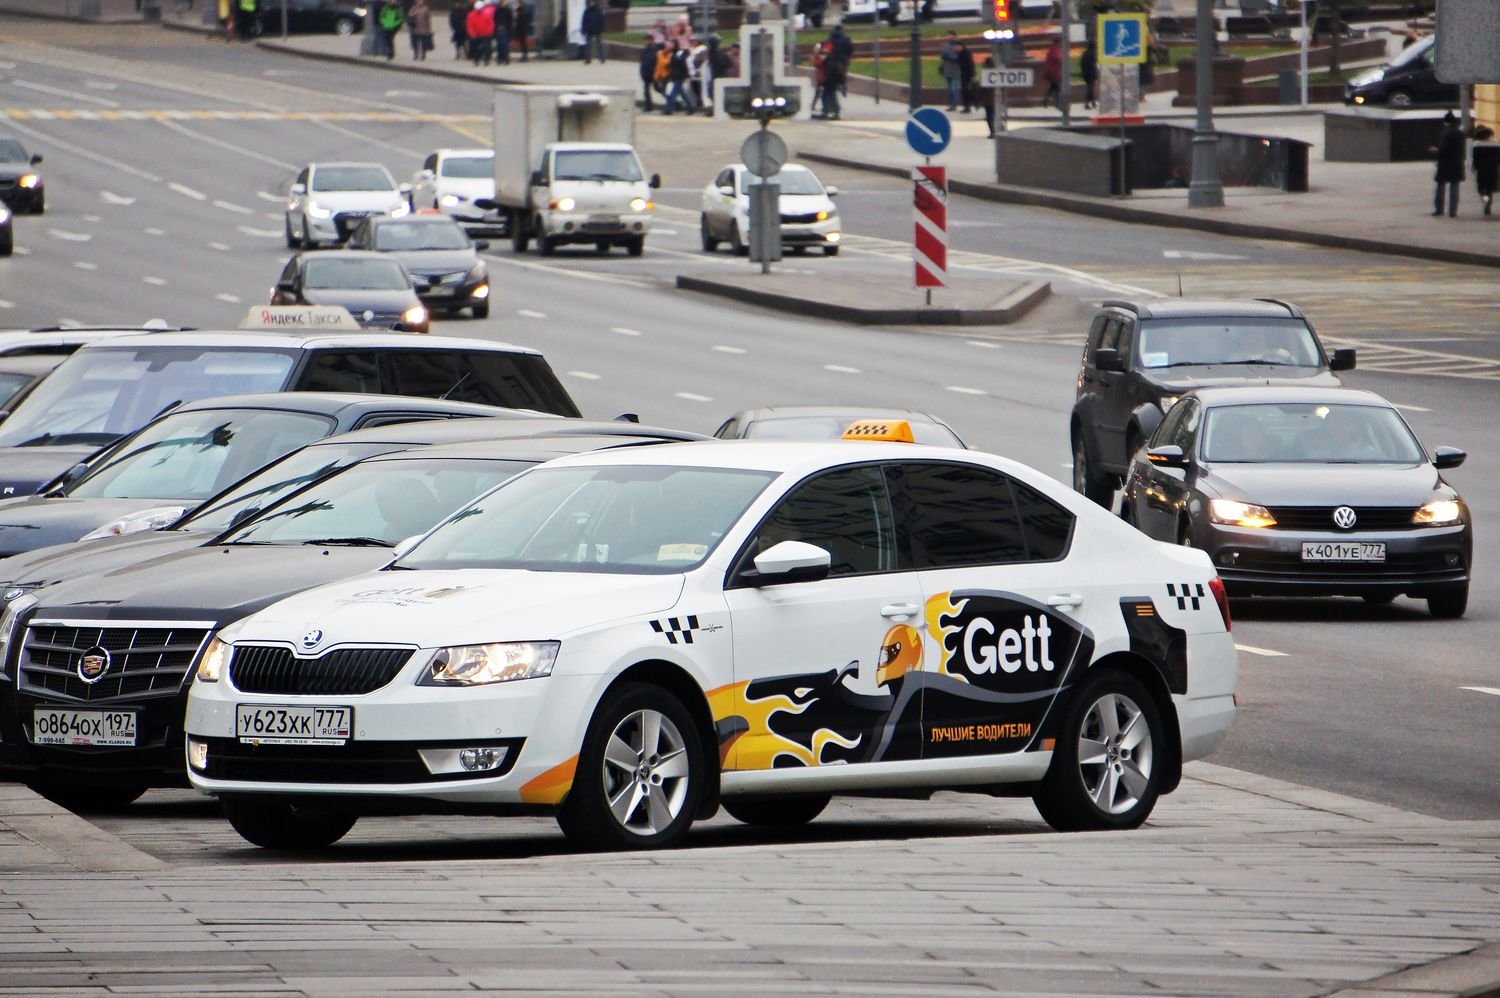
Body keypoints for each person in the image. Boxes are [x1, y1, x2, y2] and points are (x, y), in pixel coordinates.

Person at [1432, 111, 1465, 218]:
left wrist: (1436, 151)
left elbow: (1443, 149)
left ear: (1446, 122)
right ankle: (1453, 211)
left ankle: (1439, 209)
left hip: (1445, 163)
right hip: (1457, 163)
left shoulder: (1446, 133)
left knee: (1440, 186)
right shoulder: (1460, 133)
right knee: (1455, 187)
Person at [663, 41, 699, 115]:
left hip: (678, 76)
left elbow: (681, 64)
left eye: (672, 45)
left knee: (672, 94)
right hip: (676, 76)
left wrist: (686, 74)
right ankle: (690, 108)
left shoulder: (679, 55)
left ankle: (669, 109)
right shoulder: (674, 55)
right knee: (681, 93)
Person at [1472, 125, 1499, 216]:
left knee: (1481, 189)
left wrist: (1475, 167)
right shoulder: (1496, 144)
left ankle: (1486, 200)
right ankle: (1488, 203)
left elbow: (1475, 158)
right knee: (1489, 189)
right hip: (1493, 169)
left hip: (1482, 170)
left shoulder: (1477, 144)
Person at [467, 0, 494, 65]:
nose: (478, 10)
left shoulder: (487, 15)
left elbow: (491, 24)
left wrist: (489, 32)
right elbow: (470, 25)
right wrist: (472, 34)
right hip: (476, 35)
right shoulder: (471, 15)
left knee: (486, 47)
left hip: (485, 34)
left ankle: (486, 60)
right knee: (476, 48)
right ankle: (476, 59)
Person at [638, 38, 661, 110]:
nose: (646, 42)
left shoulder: (655, 51)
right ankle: (648, 106)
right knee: (646, 91)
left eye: (648, 40)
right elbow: (642, 62)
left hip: (653, 74)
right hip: (646, 74)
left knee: (658, 89)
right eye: (646, 40)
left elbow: (656, 62)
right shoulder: (645, 50)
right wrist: (642, 73)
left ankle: (670, 100)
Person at [939, 32, 960, 111]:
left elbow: (957, 56)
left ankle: (954, 105)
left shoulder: (958, 45)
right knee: (949, 89)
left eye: (950, 36)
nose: (948, 37)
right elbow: (942, 55)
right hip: (947, 69)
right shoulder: (945, 45)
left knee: (954, 88)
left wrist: (950, 56)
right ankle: (951, 104)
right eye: (948, 36)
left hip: (955, 70)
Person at [1042, 39, 1062, 108]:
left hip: (1050, 71)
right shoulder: (1056, 49)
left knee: (1053, 88)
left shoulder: (1051, 49)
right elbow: (1057, 58)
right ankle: (1057, 103)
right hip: (1054, 72)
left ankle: (1046, 101)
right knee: (1057, 88)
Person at [957, 41, 976, 114]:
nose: (956, 48)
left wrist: (971, 75)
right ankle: (966, 106)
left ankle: (967, 106)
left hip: (967, 76)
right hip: (964, 75)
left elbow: (969, 65)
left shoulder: (965, 54)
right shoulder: (961, 54)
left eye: (958, 47)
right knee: (964, 91)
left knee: (966, 91)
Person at [493, 0, 512, 64]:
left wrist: (509, 29)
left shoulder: (508, 10)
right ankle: (500, 59)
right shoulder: (497, 10)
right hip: (499, 29)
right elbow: (495, 19)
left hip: (506, 29)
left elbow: (510, 21)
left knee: (505, 45)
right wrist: (497, 27)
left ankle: (505, 58)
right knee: (499, 45)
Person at [1080, 42, 1097, 109]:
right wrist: (1095, 75)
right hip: (1091, 74)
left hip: (1085, 74)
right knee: (1090, 89)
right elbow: (1093, 65)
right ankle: (1087, 103)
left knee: (1090, 88)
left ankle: (1093, 103)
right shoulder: (1092, 54)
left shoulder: (1085, 53)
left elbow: (1081, 64)